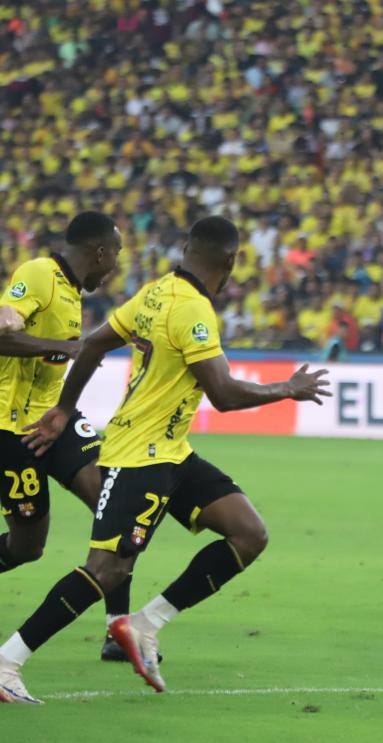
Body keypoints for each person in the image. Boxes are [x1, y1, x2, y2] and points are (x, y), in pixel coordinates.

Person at [0, 216, 331, 704]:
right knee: (103, 566)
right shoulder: (191, 309)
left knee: (248, 532)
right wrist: (288, 388)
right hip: (138, 455)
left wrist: (64, 410)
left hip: (172, 451)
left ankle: (143, 624)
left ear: (186, 248)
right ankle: (8, 661)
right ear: (232, 261)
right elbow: (223, 394)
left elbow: (93, 344)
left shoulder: (155, 292)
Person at [0, 211, 137, 662]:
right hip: (10, 428)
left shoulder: (72, 291)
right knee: (27, 547)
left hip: (54, 418)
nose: (115, 264)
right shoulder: (40, 273)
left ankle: (118, 631)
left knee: (115, 504)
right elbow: (3, 324)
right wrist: (62, 346)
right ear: (99, 252)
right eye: (115, 254)